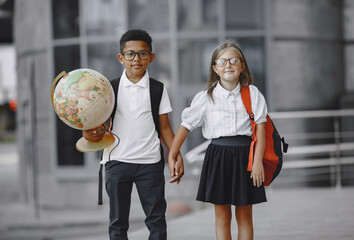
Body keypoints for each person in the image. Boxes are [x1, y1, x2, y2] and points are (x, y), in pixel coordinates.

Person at [83, 29, 184, 240]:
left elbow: (165, 127)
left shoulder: (158, 89)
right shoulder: (109, 89)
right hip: (117, 162)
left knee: (156, 221)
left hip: (150, 163)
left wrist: (175, 155)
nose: (136, 59)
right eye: (130, 54)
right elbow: (96, 125)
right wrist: (88, 133)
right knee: (118, 223)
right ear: (121, 58)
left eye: (142, 53)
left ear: (151, 57)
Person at [168, 40, 267, 240]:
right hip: (217, 158)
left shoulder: (253, 94)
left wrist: (257, 163)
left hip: (245, 158)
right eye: (221, 61)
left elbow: (261, 131)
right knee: (222, 217)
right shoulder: (205, 97)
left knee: (244, 217)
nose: (228, 65)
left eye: (233, 60)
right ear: (215, 68)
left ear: (242, 66)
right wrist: (172, 154)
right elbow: (185, 126)